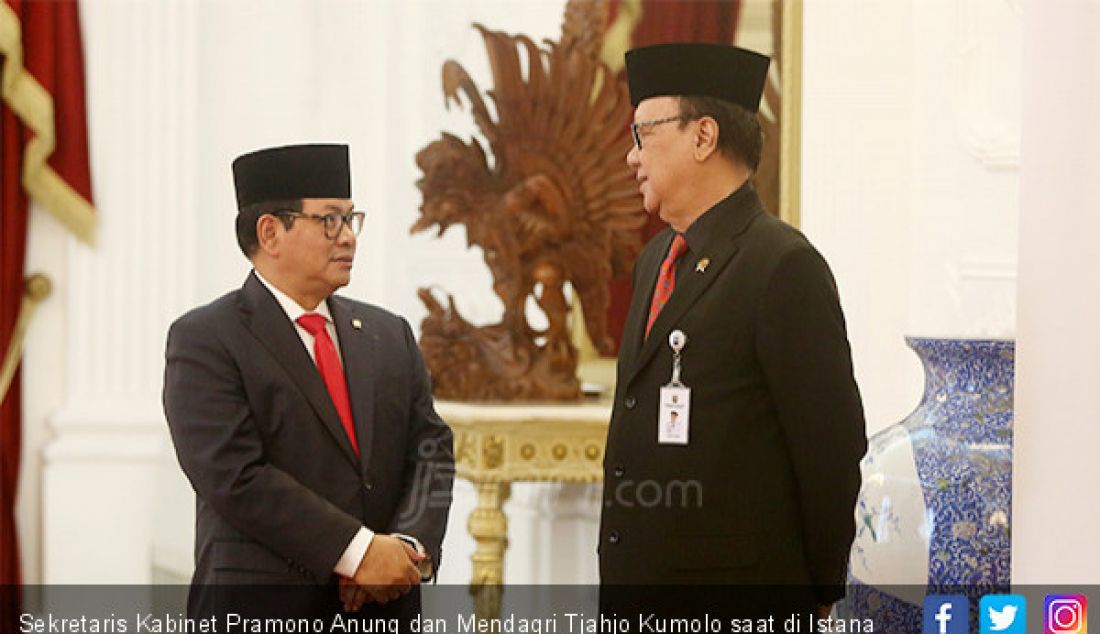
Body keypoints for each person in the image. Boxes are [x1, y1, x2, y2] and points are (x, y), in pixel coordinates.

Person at [599, 44, 867, 619]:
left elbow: (830, 449)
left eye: (643, 132)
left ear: (703, 136)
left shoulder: (782, 265)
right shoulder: (655, 262)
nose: (631, 156)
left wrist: (820, 591)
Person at [163, 144, 453, 619]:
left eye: (351, 219)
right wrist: (358, 552)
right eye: (329, 221)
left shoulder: (388, 333)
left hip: (383, 611)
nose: (349, 238)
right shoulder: (206, 340)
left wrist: (403, 547)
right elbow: (236, 476)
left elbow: (432, 447)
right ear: (270, 232)